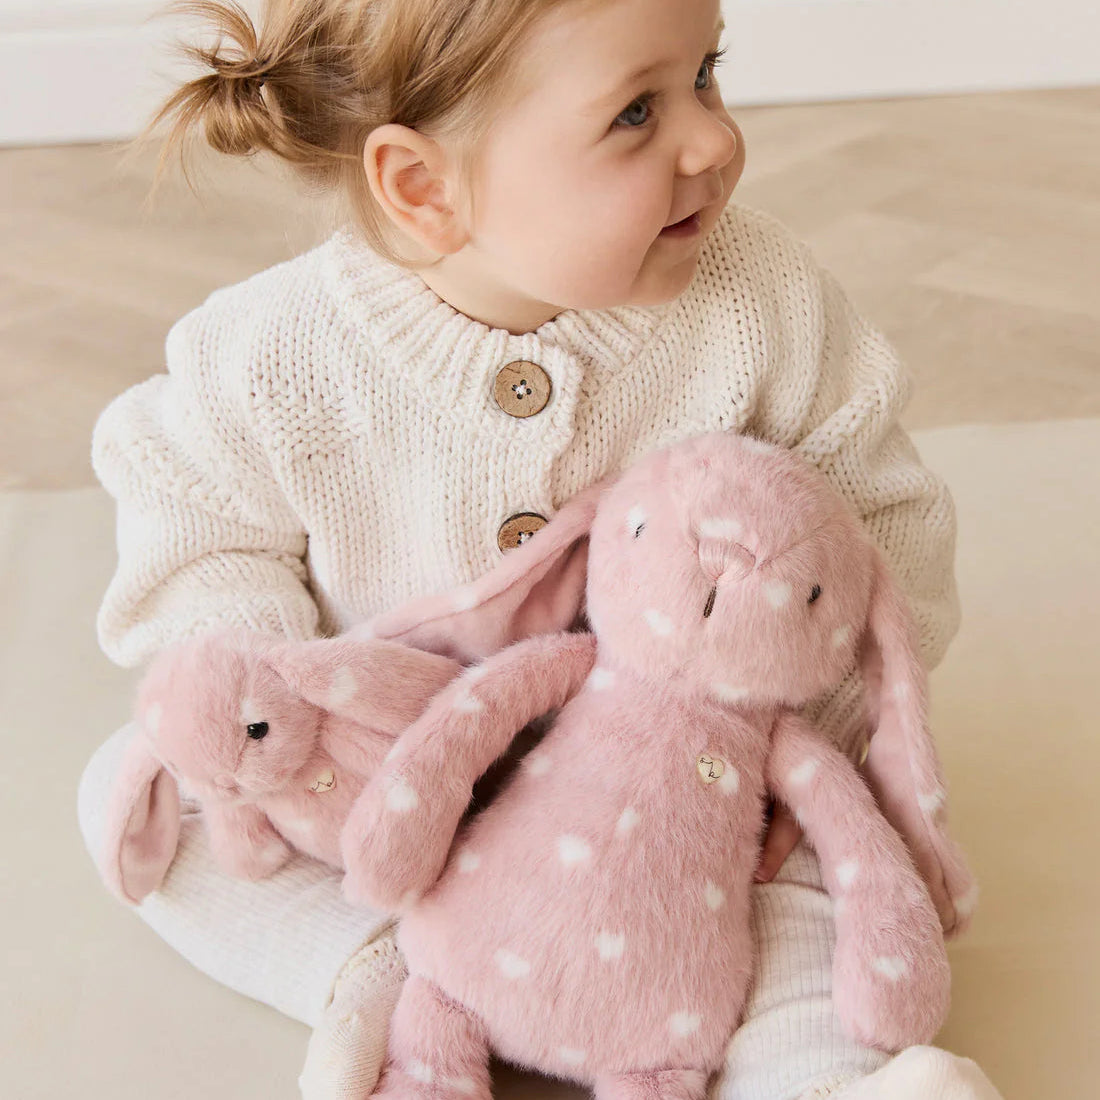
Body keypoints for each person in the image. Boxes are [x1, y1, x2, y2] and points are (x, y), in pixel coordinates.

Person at [77, 0, 1005, 1097]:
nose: (711, 138)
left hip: (688, 791)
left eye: (705, 72)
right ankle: (376, 968)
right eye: (634, 113)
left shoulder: (764, 305)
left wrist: (788, 736)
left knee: (805, 884)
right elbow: (194, 520)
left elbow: (880, 519)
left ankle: (812, 1071)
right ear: (422, 188)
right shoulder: (269, 355)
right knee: (139, 799)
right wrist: (264, 691)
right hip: (398, 776)